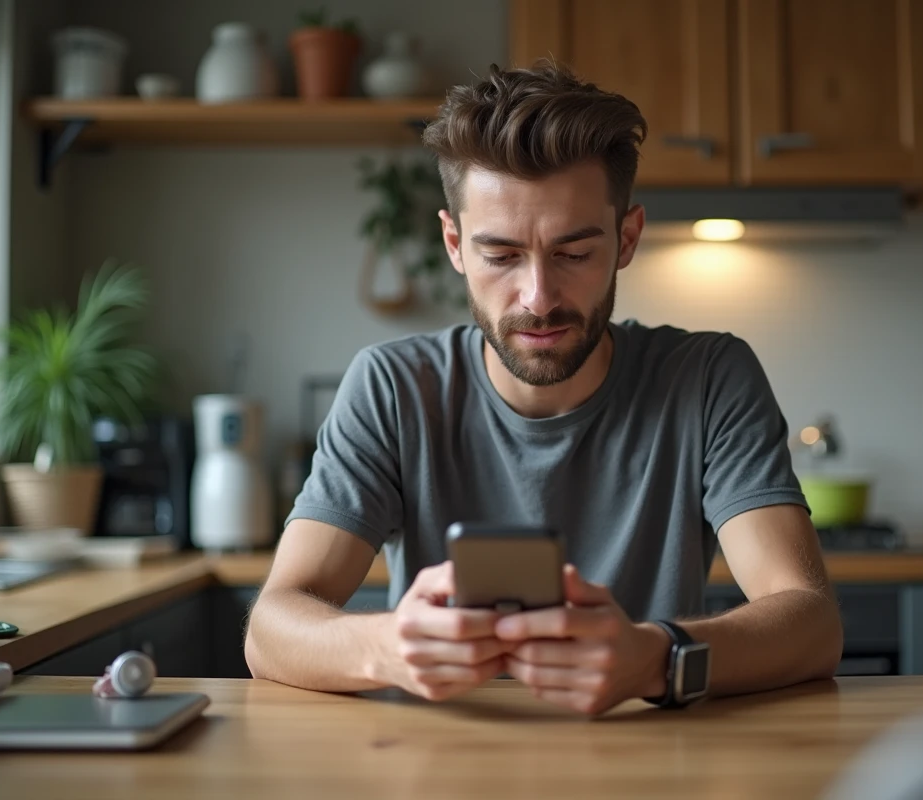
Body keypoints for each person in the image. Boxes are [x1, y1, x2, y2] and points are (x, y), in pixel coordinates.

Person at [245, 61, 843, 715]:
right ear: (454, 244)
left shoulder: (707, 378)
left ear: (627, 238)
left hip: (653, 762)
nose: (538, 298)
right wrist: (387, 648)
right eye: (500, 256)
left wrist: (652, 657)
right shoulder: (392, 387)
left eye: (574, 253)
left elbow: (811, 625)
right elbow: (271, 628)